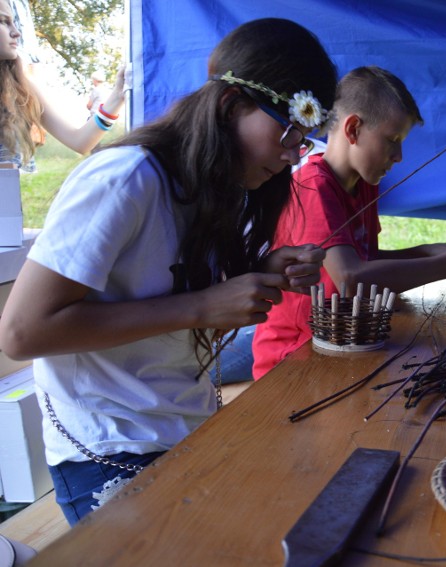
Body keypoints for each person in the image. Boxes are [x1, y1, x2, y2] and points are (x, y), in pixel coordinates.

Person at [0, 18, 337, 525]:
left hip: (186, 425)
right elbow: (22, 333)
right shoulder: (126, 179)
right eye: (289, 130)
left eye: (304, 139)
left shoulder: (219, 189)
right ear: (230, 105)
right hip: (108, 448)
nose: (293, 154)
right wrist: (203, 306)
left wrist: (259, 276)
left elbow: (173, 301)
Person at [251, 66, 446, 379]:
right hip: (294, 362)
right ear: (353, 130)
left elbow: (362, 259)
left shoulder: (363, 184)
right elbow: (351, 278)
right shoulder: (314, 188)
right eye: (393, 139)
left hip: (344, 345)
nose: (399, 155)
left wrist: (430, 252)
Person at [0, 0, 125, 172]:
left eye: (14, 22)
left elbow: (80, 141)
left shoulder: (19, 86)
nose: (16, 33)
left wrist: (118, 94)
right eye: (3, 22)